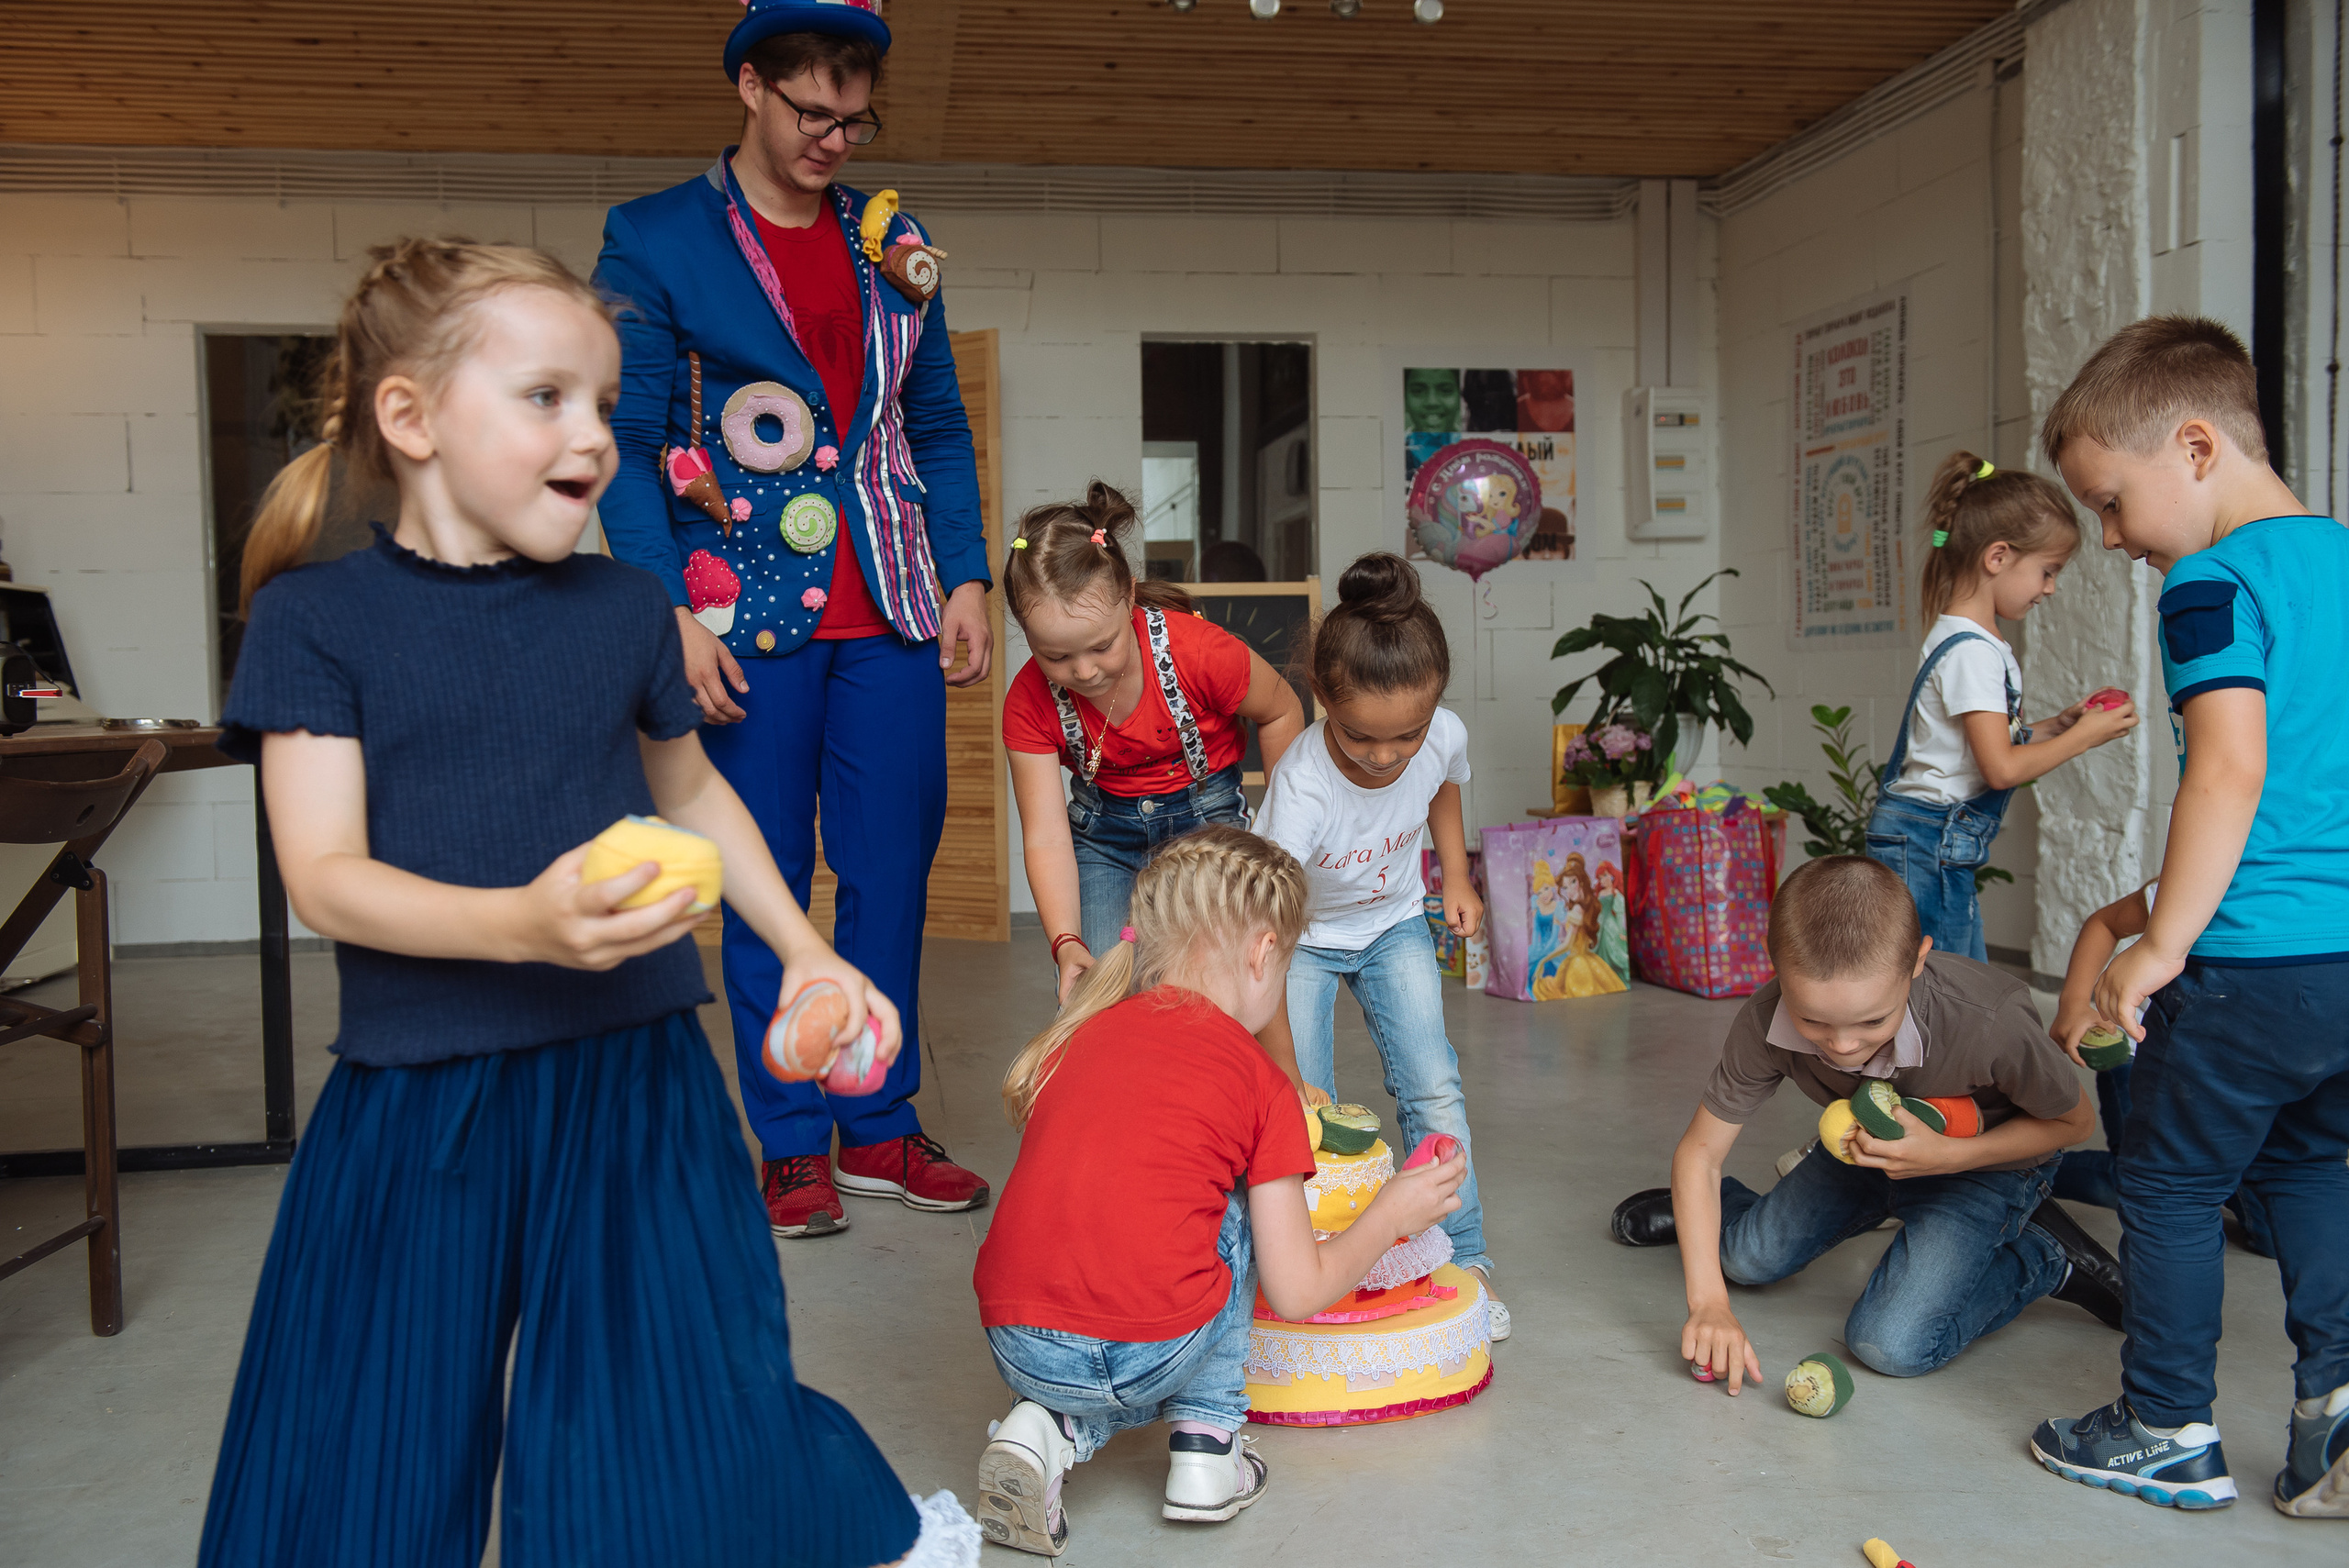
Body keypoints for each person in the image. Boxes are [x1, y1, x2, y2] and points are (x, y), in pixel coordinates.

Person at [197, 239, 975, 1568]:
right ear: (413, 417)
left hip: (640, 1078)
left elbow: (693, 798)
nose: (596, 437)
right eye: (548, 398)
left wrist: (801, 952)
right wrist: (520, 924)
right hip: (418, 1093)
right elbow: (324, 875)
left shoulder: (628, 608)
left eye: (607, 405)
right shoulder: (317, 623)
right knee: (363, 1436)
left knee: (679, 1413)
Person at [593, 0, 992, 1238]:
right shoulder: (655, 237)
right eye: (809, 112)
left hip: (892, 616)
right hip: (742, 615)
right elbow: (625, 439)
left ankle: (877, 1124)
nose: (832, 139)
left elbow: (932, 419)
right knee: (761, 874)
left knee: (889, 874)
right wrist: (665, 608)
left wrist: (967, 572)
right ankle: (787, 1139)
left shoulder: (891, 237)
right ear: (751, 88)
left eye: (852, 118)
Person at [2027, 316, 2349, 1519]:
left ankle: (2164, 1425)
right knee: (2315, 1161)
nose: (2112, 538)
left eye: (2112, 502)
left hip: (2251, 956)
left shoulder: (2213, 585)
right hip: (2345, 960)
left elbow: (2228, 773)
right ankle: (2332, 1412)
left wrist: (2156, 946)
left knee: (2165, 1182)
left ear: (2197, 448)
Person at [970, 827, 1467, 1556]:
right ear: (1265, 952)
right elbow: (1296, 1287)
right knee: (1233, 1213)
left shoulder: (1079, 1034)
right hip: (1151, 1349)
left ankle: (1045, 1426)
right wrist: (1392, 1212)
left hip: (1014, 1339)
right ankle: (1208, 1445)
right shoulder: (1261, 1082)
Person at [1609, 856, 2121, 1390]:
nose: (1845, 1046)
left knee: (1891, 1345)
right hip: (1863, 1151)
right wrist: (1709, 1302)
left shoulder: (1989, 1022)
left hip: (1985, 1164)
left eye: (1873, 1020)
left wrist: (1944, 1157)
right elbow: (1701, 1153)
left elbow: (2073, 1123)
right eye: (1813, 1021)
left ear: (1918, 961)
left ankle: (2044, 1255)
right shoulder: (1762, 1021)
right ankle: (1712, 1206)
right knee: (1741, 1261)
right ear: (1776, 964)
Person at [1250, 553, 1508, 1338]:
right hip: (1304, 943)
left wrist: (1455, 876)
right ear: (1322, 697)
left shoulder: (1440, 738)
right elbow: (1267, 932)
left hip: (1396, 923)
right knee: (1307, 1115)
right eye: (1364, 736)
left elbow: (1446, 782)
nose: (1389, 755)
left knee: (1434, 1089)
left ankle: (1464, 1257)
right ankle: (1319, 1264)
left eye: (1410, 734)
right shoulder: (1300, 791)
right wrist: (1287, 1072)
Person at [1000, 483, 1306, 1002]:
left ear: (1131, 598)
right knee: (1101, 997)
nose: (1084, 670)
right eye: (1055, 656)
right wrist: (1066, 942)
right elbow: (1047, 837)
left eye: (1102, 645)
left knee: (1218, 990)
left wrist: (1280, 838)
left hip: (1208, 831)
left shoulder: (1200, 652)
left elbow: (1282, 710)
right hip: (1105, 843)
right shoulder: (1028, 702)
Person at [1865, 449, 2139, 960]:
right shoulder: (1972, 653)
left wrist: (2058, 725)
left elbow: (1981, 743)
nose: (2051, 589)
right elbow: (1999, 768)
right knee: (1943, 984)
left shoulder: (1969, 641)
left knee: (1960, 978)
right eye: (2047, 571)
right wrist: (2083, 739)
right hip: (1929, 842)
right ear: (1998, 557)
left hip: (1931, 841)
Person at [2043, 879, 2275, 1255]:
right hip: (2145, 1059)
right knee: (2142, 1180)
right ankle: (2014, 1169)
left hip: (2232, 1081)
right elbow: (2104, 924)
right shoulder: (2198, 885)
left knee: (2271, 1237)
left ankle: (2214, 1172)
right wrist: (2073, 1003)